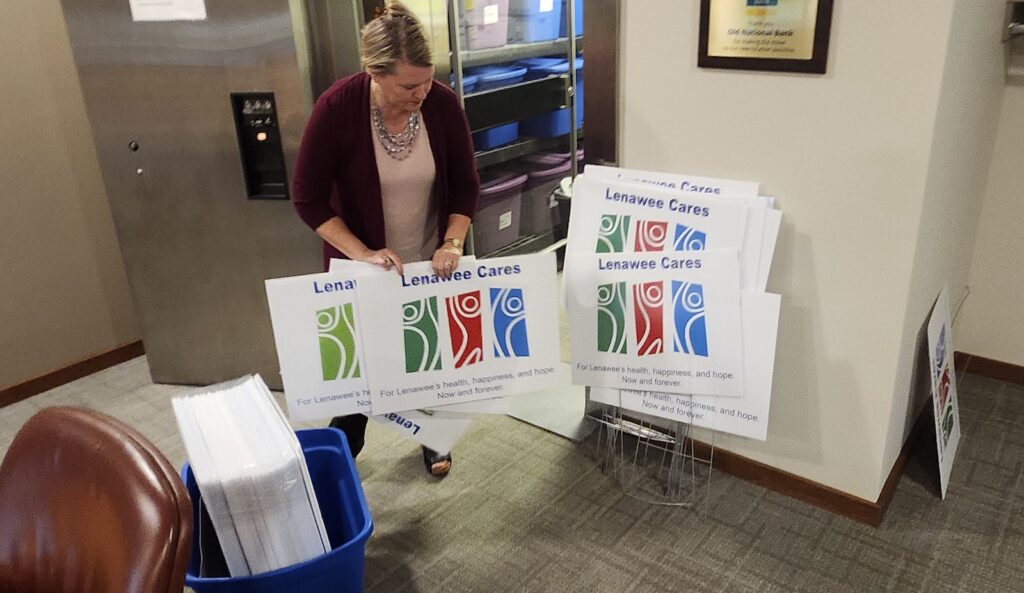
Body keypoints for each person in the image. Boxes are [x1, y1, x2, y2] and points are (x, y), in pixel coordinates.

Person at [291, 1, 479, 477]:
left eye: (428, 79)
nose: (422, 93)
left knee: (427, 356)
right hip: (363, 263)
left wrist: (453, 242)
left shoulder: (441, 103)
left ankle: (434, 439)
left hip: (429, 259)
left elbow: (465, 185)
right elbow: (307, 198)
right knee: (364, 369)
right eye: (408, 85)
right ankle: (340, 451)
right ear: (373, 72)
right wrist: (364, 254)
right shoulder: (337, 107)